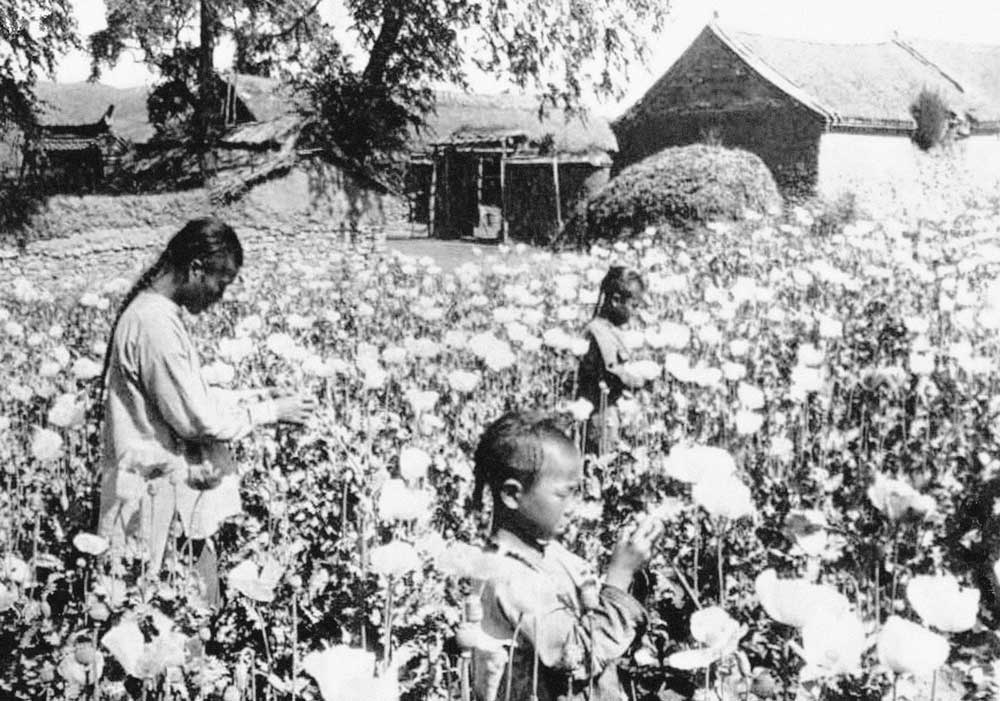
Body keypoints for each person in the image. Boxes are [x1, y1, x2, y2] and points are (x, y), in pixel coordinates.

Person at [97, 217, 316, 605]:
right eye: (223, 282)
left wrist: (256, 395)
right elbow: (196, 420)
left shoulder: (156, 314)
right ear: (196, 268)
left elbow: (184, 397)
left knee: (191, 610)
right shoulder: (154, 324)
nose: (221, 295)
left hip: (164, 497)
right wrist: (268, 412)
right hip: (156, 503)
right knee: (177, 620)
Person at [469, 410, 663, 701]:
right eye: (564, 494)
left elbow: (594, 622)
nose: (574, 505)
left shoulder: (550, 553)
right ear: (512, 494)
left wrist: (631, 569)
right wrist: (619, 576)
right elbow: (575, 657)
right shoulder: (507, 576)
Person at [576, 267, 647, 455]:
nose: (635, 312)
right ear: (616, 300)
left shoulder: (608, 329)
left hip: (611, 409)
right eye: (633, 306)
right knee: (601, 462)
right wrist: (641, 379)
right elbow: (612, 372)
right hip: (601, 415)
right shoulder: (598, 332)